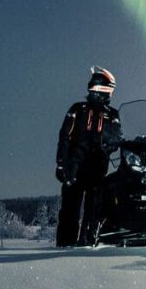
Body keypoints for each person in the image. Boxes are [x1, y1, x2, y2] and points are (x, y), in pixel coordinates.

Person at [54, 66, 122, 246]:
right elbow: (65, 136)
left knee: (94, 210)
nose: (107, 94)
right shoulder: (78, 109)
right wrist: (61, 164)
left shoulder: (112, 114)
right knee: (70, 209)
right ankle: (65, 245)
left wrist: (112, 144)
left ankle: (87, 244)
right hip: (74, 168)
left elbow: (117, 137)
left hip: (97, 169)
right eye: (107, 90)